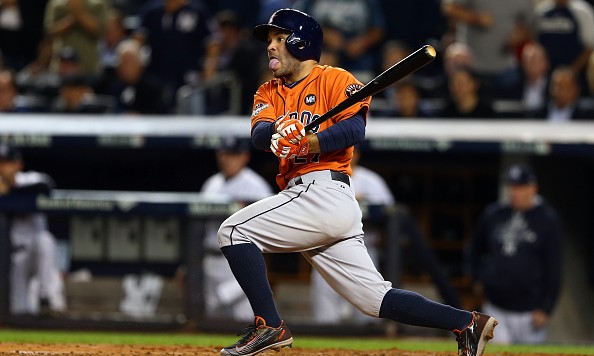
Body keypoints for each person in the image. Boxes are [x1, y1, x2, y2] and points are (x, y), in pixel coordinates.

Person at [217, 8, 497, 356]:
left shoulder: (335, 79)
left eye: (278, 38)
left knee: (233, 231)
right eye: (269, 41)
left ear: (301, 42)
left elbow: (354, 129)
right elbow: (259, 134)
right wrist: (278, 130)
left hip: (323, 191)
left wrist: (309, 140)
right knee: (373, 298)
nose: (271, 47)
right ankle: (467, 323)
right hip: (311, 200)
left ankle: (270, 325)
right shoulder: (269, 91)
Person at [469, 163, 562, 344]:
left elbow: (554, 267)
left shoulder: (547, 219)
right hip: (495, 307)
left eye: (519, 187)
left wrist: (546, 308)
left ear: (532, 188)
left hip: (530, 312)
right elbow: (475, 248)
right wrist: (477, 277)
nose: (514, 192)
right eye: (512, 186)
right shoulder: (494, 214)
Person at [310, 147, 394, 325]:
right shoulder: (316, 176)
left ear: (356, 154)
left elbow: (391, 218)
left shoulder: (371, 181)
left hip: (364, 250)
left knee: (368, 315)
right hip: (324, 252)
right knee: (325, 318)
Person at [200, 136, 274, 321]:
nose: (227, 159)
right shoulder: (211, 185)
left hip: (241, 262)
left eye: (233, 154)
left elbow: (270, 232)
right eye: (224, 154)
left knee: (244, 319)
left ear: (244, 157)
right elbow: (198, 228)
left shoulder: (257, 187)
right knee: (209, 323)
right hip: (210, 258)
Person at [0, 144, 66, 316]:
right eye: (0, 163)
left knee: (45, 240)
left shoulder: (31, 178)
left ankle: (45, 294)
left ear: (18, 164)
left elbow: (46, 187)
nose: (2, 167)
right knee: (18, 312)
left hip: (38, 253)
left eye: (7, 162)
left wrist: (10, 191)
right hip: (15, 258)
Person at [441, 0, 533, 95]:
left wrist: (519, 36)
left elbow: (531, 24)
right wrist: (476, 18)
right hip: (472, 66)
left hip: (505, 67)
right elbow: (449, 7)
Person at [44, 0, 108, 76]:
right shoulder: (56, 4)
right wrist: (72, 18)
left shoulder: (97, 3)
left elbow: (100, 30)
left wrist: (78, 13)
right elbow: (50, 31)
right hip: (62, 66)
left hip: (89, 66)